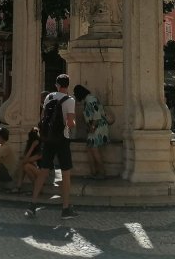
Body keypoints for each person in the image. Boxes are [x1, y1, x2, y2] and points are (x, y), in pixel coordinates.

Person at [26, 74, 78, 220]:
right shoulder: (70, 100)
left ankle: (32, 205)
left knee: (43, 171)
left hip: (48, 139)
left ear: (57, 84)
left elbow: (43, 118)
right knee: (66, 174)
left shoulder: (49, 97)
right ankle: (65, 208)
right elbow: (70, 123)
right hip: (62, 139)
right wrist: (74, 123)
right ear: (68, 85)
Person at [72, 84, 110, 179]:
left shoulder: (90, 100)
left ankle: (102, 173)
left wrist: (92, 127)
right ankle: (94, 173)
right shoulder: (88, 99)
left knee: (94, 150)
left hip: (97, 127)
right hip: (96, 127)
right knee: (90, 149)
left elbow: (97, 115)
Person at [11, 127, 41, 193]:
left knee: (26, 165)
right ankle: (19, 186)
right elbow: (25, 158)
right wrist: (31, 147)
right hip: (36, 169)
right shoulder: (30, 145)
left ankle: (36, 187)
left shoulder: (40, 149)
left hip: (43, 173)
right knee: (24, 165)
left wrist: (32, 147)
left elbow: (25, 160)